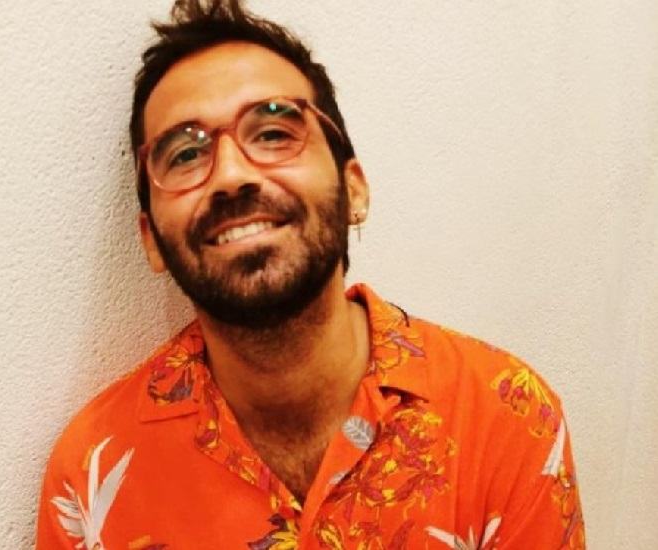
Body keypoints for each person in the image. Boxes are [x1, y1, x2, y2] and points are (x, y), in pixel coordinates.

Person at [36, 1, 585, 548]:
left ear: (353, 190)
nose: (230, 174)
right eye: (184, 154)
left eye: (274, 131)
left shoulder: (504, 416)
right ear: (152, 239)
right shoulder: (91, 473)